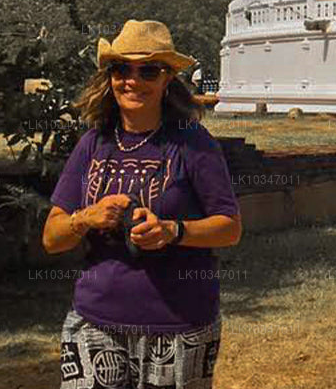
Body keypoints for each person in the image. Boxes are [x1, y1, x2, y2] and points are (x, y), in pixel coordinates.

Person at [41, 19, 242, 388]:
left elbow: (229, 227)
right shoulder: (93, 143)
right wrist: (85, 218)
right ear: (110, 77)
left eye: (148, 71)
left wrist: (172, 231)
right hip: (95, 321)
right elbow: (52, 238)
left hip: (178, 325)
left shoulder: (193, 143)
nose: (132, 81)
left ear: (168, 79)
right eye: (121, 69)